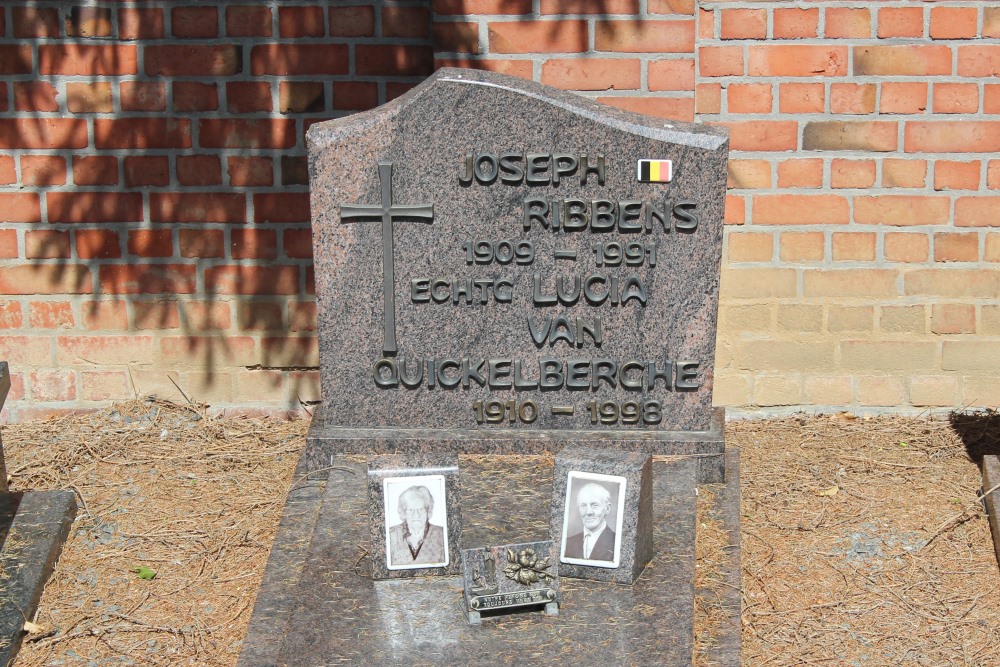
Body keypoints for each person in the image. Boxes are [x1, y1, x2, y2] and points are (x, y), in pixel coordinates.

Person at [387, 485, 446, 567]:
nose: (416, 515)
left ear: (428, 511)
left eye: (421, 509)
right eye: (411, 510)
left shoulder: (442, 535)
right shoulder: (391, 535)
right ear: (404, 512)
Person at [563, 482, 616, 562]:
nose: (588, 512)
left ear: (607, 508)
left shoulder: (617, 543)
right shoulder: (567, 543)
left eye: (594, 505)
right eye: (583, 505)